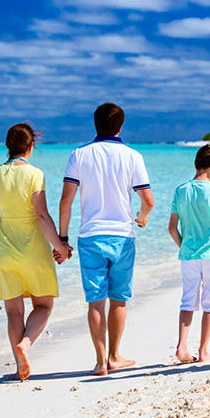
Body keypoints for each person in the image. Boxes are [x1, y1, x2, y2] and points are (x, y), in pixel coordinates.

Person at [58, 103, 154, 375]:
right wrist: (143, 217)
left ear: (95, 125)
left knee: (96, 301)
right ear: (121, 126)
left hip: (90, 236)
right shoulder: (132, 156)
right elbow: (147, 200)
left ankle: (100, 362)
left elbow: (67, 200)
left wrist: (63, 239)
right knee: (119, 299)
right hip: (122, 236)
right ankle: (114, 356)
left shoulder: (79, 154)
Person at [0, 123, 72, 381]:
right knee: (43, 305)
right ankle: (26, 345)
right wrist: (60, 247)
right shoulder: (35, 174)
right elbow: (42, 215)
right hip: (33, 249)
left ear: (9, 146)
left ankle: (18, 366)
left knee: (14, 312)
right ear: (31, 146)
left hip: (5, 250)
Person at [168, 144, 210, 364]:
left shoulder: (181, 190)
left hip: (188, 255)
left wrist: (183, 246)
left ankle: (182, 346)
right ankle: (204, 350)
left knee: (188, 301)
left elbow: (171, 228)